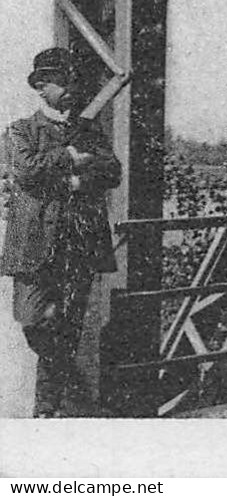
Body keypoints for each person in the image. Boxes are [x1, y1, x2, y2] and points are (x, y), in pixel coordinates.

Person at [0, 48, 121, 417]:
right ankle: (58, 403)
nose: (70, 88)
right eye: (60, 81)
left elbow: (112, 171)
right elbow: (27, 172)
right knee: (33, 319)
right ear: (40, 87)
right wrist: (69, 156)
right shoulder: (20, 131)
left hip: (77, 243)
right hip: (32, 245)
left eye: (73, 80)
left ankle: (47, 411)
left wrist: (74, 180)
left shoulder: (89, 130)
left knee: (68, 328)